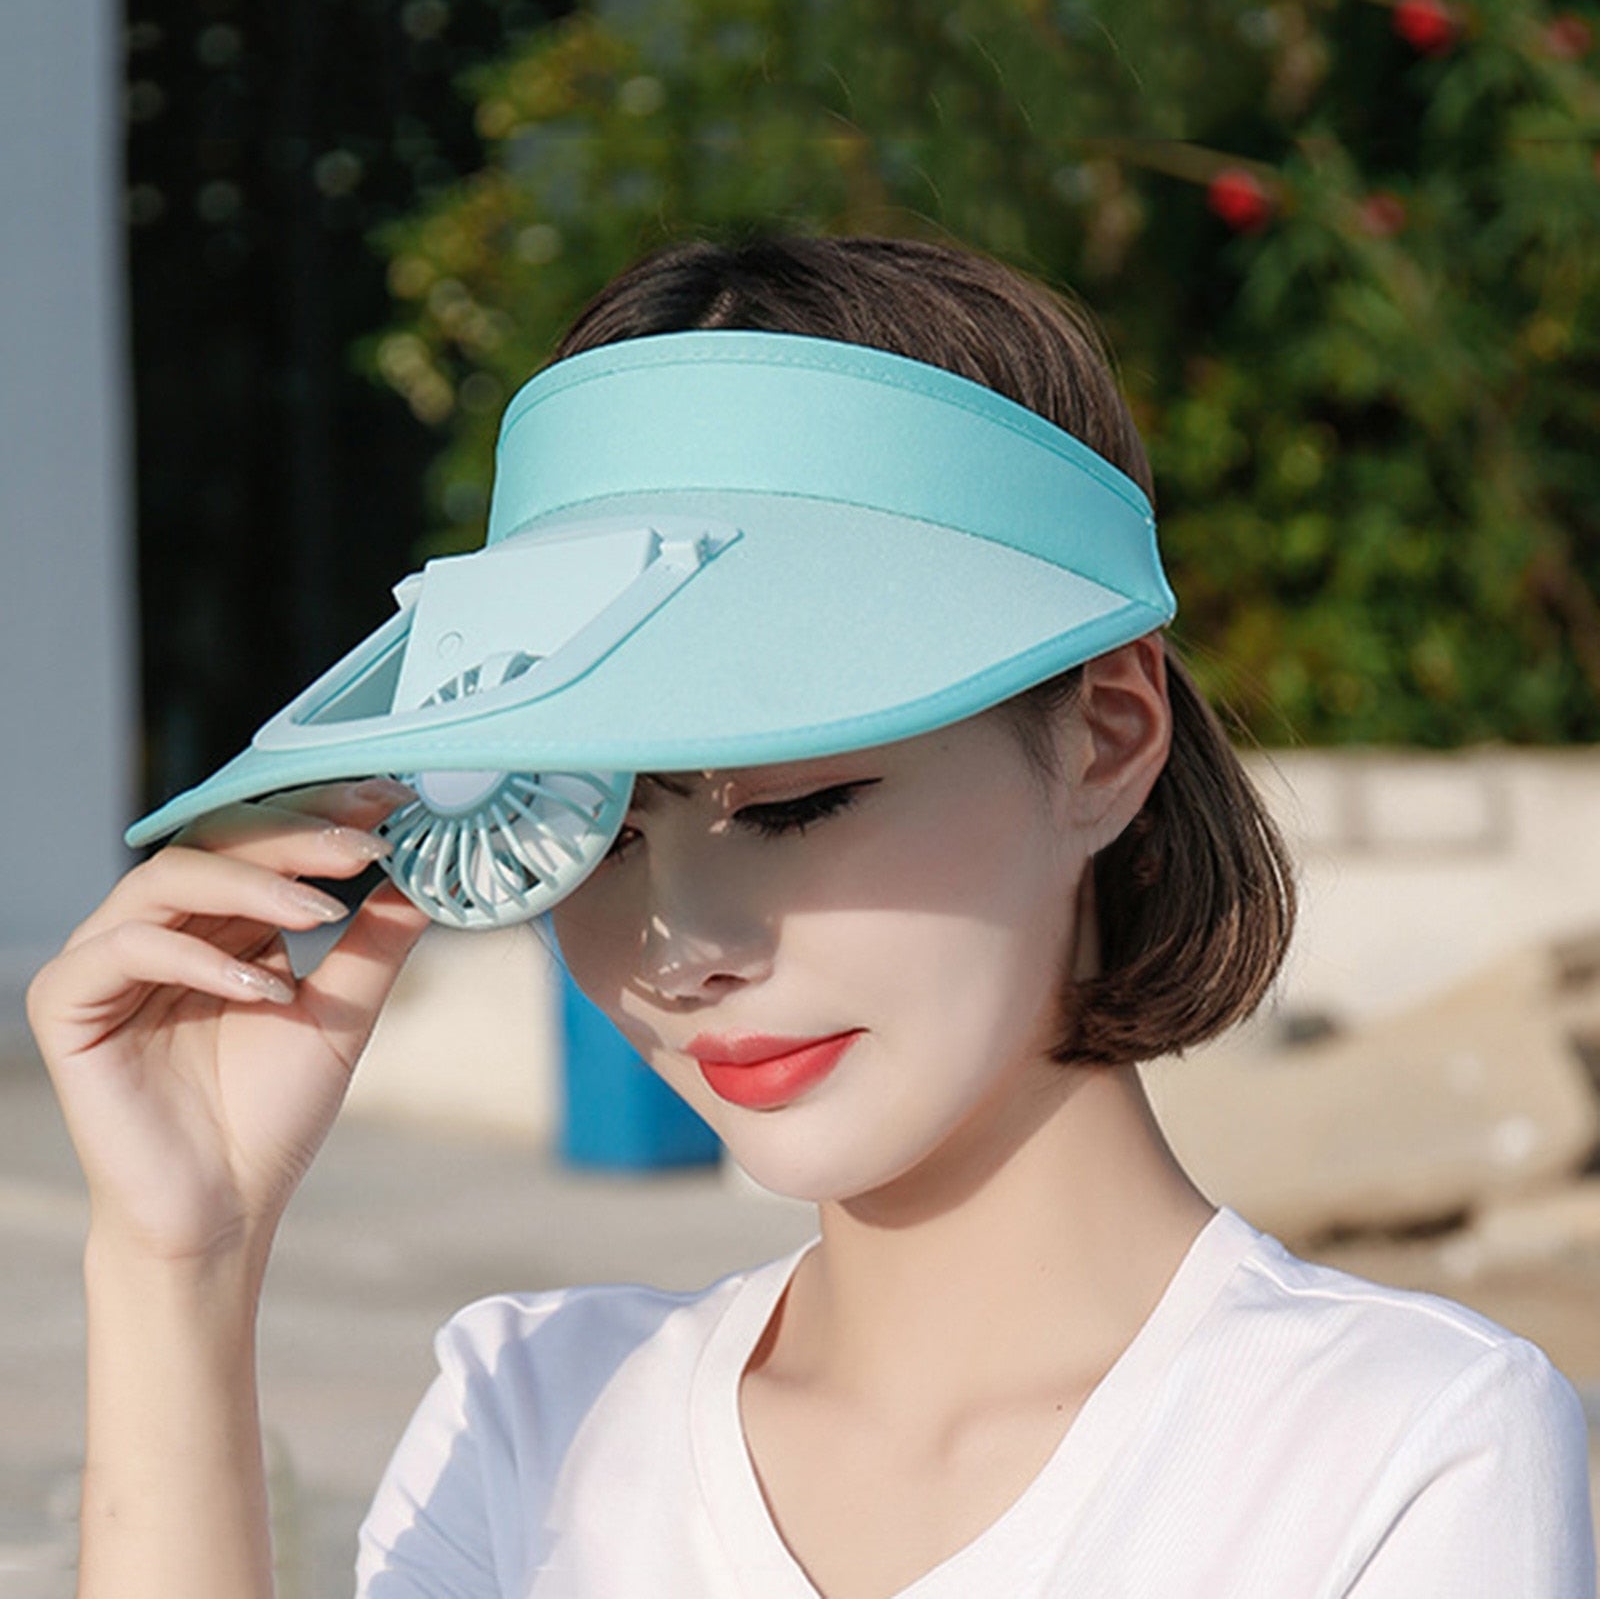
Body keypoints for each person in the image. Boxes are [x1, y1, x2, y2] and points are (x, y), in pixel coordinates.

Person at [27, 235, 1595, 1599]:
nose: (683, 947)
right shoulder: (536, 1414)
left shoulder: (1395, 1449)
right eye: (600, 840)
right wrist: (179, 1266)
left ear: (1107, 738)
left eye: (794, 806)